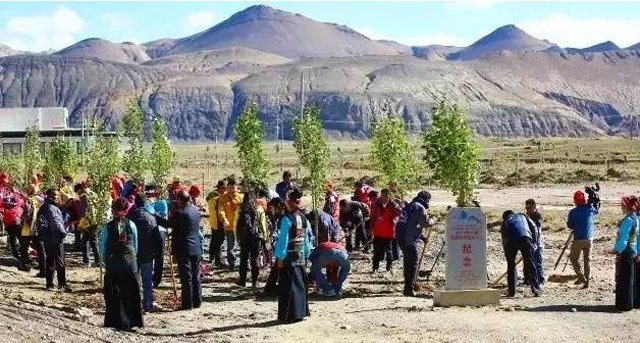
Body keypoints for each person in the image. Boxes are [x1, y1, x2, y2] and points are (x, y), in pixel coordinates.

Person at [100, 197, 143, 330]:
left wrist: (104, 261)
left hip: (113, 263)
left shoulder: (108, 226)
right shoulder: (131, 224)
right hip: (130, 263)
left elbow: (103, 246)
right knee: (131, 293)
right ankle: (133, 321)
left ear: (113, 210)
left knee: (114, 294)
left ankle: (116, 321)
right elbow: (135, 245)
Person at [155, 190, 203, 310]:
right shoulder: (195, 210)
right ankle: (197, 301)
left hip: (184, 248)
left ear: (181, 200)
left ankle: (187, 304)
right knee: (196, 275)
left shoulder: (180, 213)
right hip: (196, 247)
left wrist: (155, 216)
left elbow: (167, 224)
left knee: (186, 277)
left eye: (177, 199)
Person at [275, 188, 311, 323]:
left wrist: (280, 257)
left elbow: (283, 239)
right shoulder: (303, 217)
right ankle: (300, 313)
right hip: (300, 255)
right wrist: (307, 253)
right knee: (300, 284)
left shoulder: (286, 219)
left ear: (289, 201)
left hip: (289, 256)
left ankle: (289, 315)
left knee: (288, 286)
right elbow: (306, 239)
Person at [128, 192, 161, 313]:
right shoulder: (151, 218)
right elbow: (157, 238)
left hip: (133, 254)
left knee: (134, 280)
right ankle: (148, 304)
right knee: (147, 280)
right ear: (146, 203)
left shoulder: (130, 217)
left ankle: (133, 305)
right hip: (147, 254)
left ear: (135, 203)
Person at [398, 191, 432, 296]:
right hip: (410, 240)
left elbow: (412, 225)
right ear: (427, 199)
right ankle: (409, 289)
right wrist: (432, 221)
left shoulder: (410, 206)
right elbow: (424, 223)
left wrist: (422, 237)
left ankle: (408, 286)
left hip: (401, 238)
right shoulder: (420, 207)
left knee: (408, 263)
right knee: (412, 264)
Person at [37, 188, 71, 292]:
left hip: (47, 238)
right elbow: (56, 223)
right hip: (56, 238)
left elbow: (38, 223)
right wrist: (62, 233)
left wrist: (42, 235)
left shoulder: (42, 207)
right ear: (50, 196)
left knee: (50, 261)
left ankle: (49, 284)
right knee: (60, 262)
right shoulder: (52, 208)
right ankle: (62, 284)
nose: (57, 197)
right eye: (55, 195)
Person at [501, 210, 541, 297]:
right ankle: (536, 289)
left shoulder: (505, 222)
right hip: (525, 237)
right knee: (530, 263)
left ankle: (512, 292)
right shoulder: (522, 216)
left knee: (511, 265)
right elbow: (534, 227)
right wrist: (534, 243)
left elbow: (504, 238)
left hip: (510, 241)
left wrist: (508, 254)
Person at [610, 196, 638, 311]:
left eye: (622, 205)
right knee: (629, 278)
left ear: (626, 206)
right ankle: (628, 304)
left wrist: (616, 250)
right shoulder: (635, 217)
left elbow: (624, 239)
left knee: (624, 278)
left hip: (626, 251)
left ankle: (623, 304)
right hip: (632, 250)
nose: (621, 207)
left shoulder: (628, 220)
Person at [236, 190, 268, 288]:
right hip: (256, 237)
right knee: (255, 259)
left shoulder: (241, 209)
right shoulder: (259, 209)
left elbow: (237, 224)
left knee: (243, 259)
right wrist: (265, 237)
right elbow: (262, 225)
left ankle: (242, 281)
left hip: (244, 238)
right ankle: (255, 282)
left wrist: (238, 236)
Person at [567, 190, 598, 288]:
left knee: (573, 258)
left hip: (578, 239)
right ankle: (587, 281)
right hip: (589, 239)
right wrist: (596, 203)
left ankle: (581, 277)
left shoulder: (573, 212)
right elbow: (596, 211)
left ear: (575, 201)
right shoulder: (589, 208)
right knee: (587, 260)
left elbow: (570, 225)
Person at [370, 189, 402, 274]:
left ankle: (389, 267)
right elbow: (372, 217)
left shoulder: (394, 205)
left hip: (389, 232)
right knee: (376, 250)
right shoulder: (377, 204)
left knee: (389, 250)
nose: (383, 197)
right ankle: (375, 267)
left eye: (385, 195)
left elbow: (398, 215)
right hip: (377, 231)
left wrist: (394, 221)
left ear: (389, 196)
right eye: (382, 195)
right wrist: (371, 228)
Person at [145, 185, 168, 288]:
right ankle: (147, 277)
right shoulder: (146, 203)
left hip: (160, 231)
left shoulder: (162, 203)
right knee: (149, 255)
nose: (150, 196)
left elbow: (163, 217)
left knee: (159, 257)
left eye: (152, 194)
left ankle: (156, 280)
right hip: (149, 231)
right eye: (148, 194)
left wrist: (153, 213)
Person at [18, 185, 45, 274]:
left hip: (27, 228)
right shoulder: (41, 200)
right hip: (37, 227)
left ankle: (26, 266)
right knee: (40, 248)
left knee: (23, 248)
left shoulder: (28, 200)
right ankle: (43, 269)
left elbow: (24, 214)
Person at [263, 197, 286, 296]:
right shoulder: (279, 215)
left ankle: (271, 289)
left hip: (285, 248)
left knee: (278, 269)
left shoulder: (285, 217)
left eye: (274, 207)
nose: (273, 210)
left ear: (279, 206)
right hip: (282, 247)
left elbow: (283, 235)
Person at [219, 177, 243, 270]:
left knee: (242, 246)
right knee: (230, 246)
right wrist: (224, 219)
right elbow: (221, 211)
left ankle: (243, 263)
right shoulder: (223, 198)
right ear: (227, 188)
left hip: (240, 227)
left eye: (233, 187)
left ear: (237, 187)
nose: (231, 189)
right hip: (229, 226)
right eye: (229, 187)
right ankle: (231, 263)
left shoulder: (241, 197)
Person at [77, 183, 100, 267]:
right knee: (94, 241)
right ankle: (97, 261)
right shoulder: (94, 195)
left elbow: (84, 212)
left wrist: (81, 224)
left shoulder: (84, 197)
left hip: (88, 222)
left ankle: (86, 261)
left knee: (85, 241)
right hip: (96, 221)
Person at [207, 180, 227, 267]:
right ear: (220, 188)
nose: (225, 190)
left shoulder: (213, 195)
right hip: (217, 221)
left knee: (214, 239)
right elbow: (218, 208)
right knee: (219, 241)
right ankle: (218, 260)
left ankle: (211, 257)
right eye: (224, 188)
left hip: (214, 221)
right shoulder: (215, 196)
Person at [525, 199, 545, 287]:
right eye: (526, 207)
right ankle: (528, 279)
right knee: (528, 263)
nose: (528, 209)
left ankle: (540, 280)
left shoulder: (538, 216)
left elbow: (537, 228)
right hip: (529, 243)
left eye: (529, 207)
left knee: (538, 262)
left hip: (537, 243)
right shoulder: (526, 216)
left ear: (534, 207)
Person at [1, 189, 25, 259]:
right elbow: (23, 204)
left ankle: (16, 254)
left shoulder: (4, 200)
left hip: (9, 223)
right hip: (16, 222)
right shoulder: (18, 199)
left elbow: (2, 208)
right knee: (21, 239)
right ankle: (22, 254)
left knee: (12, 239)